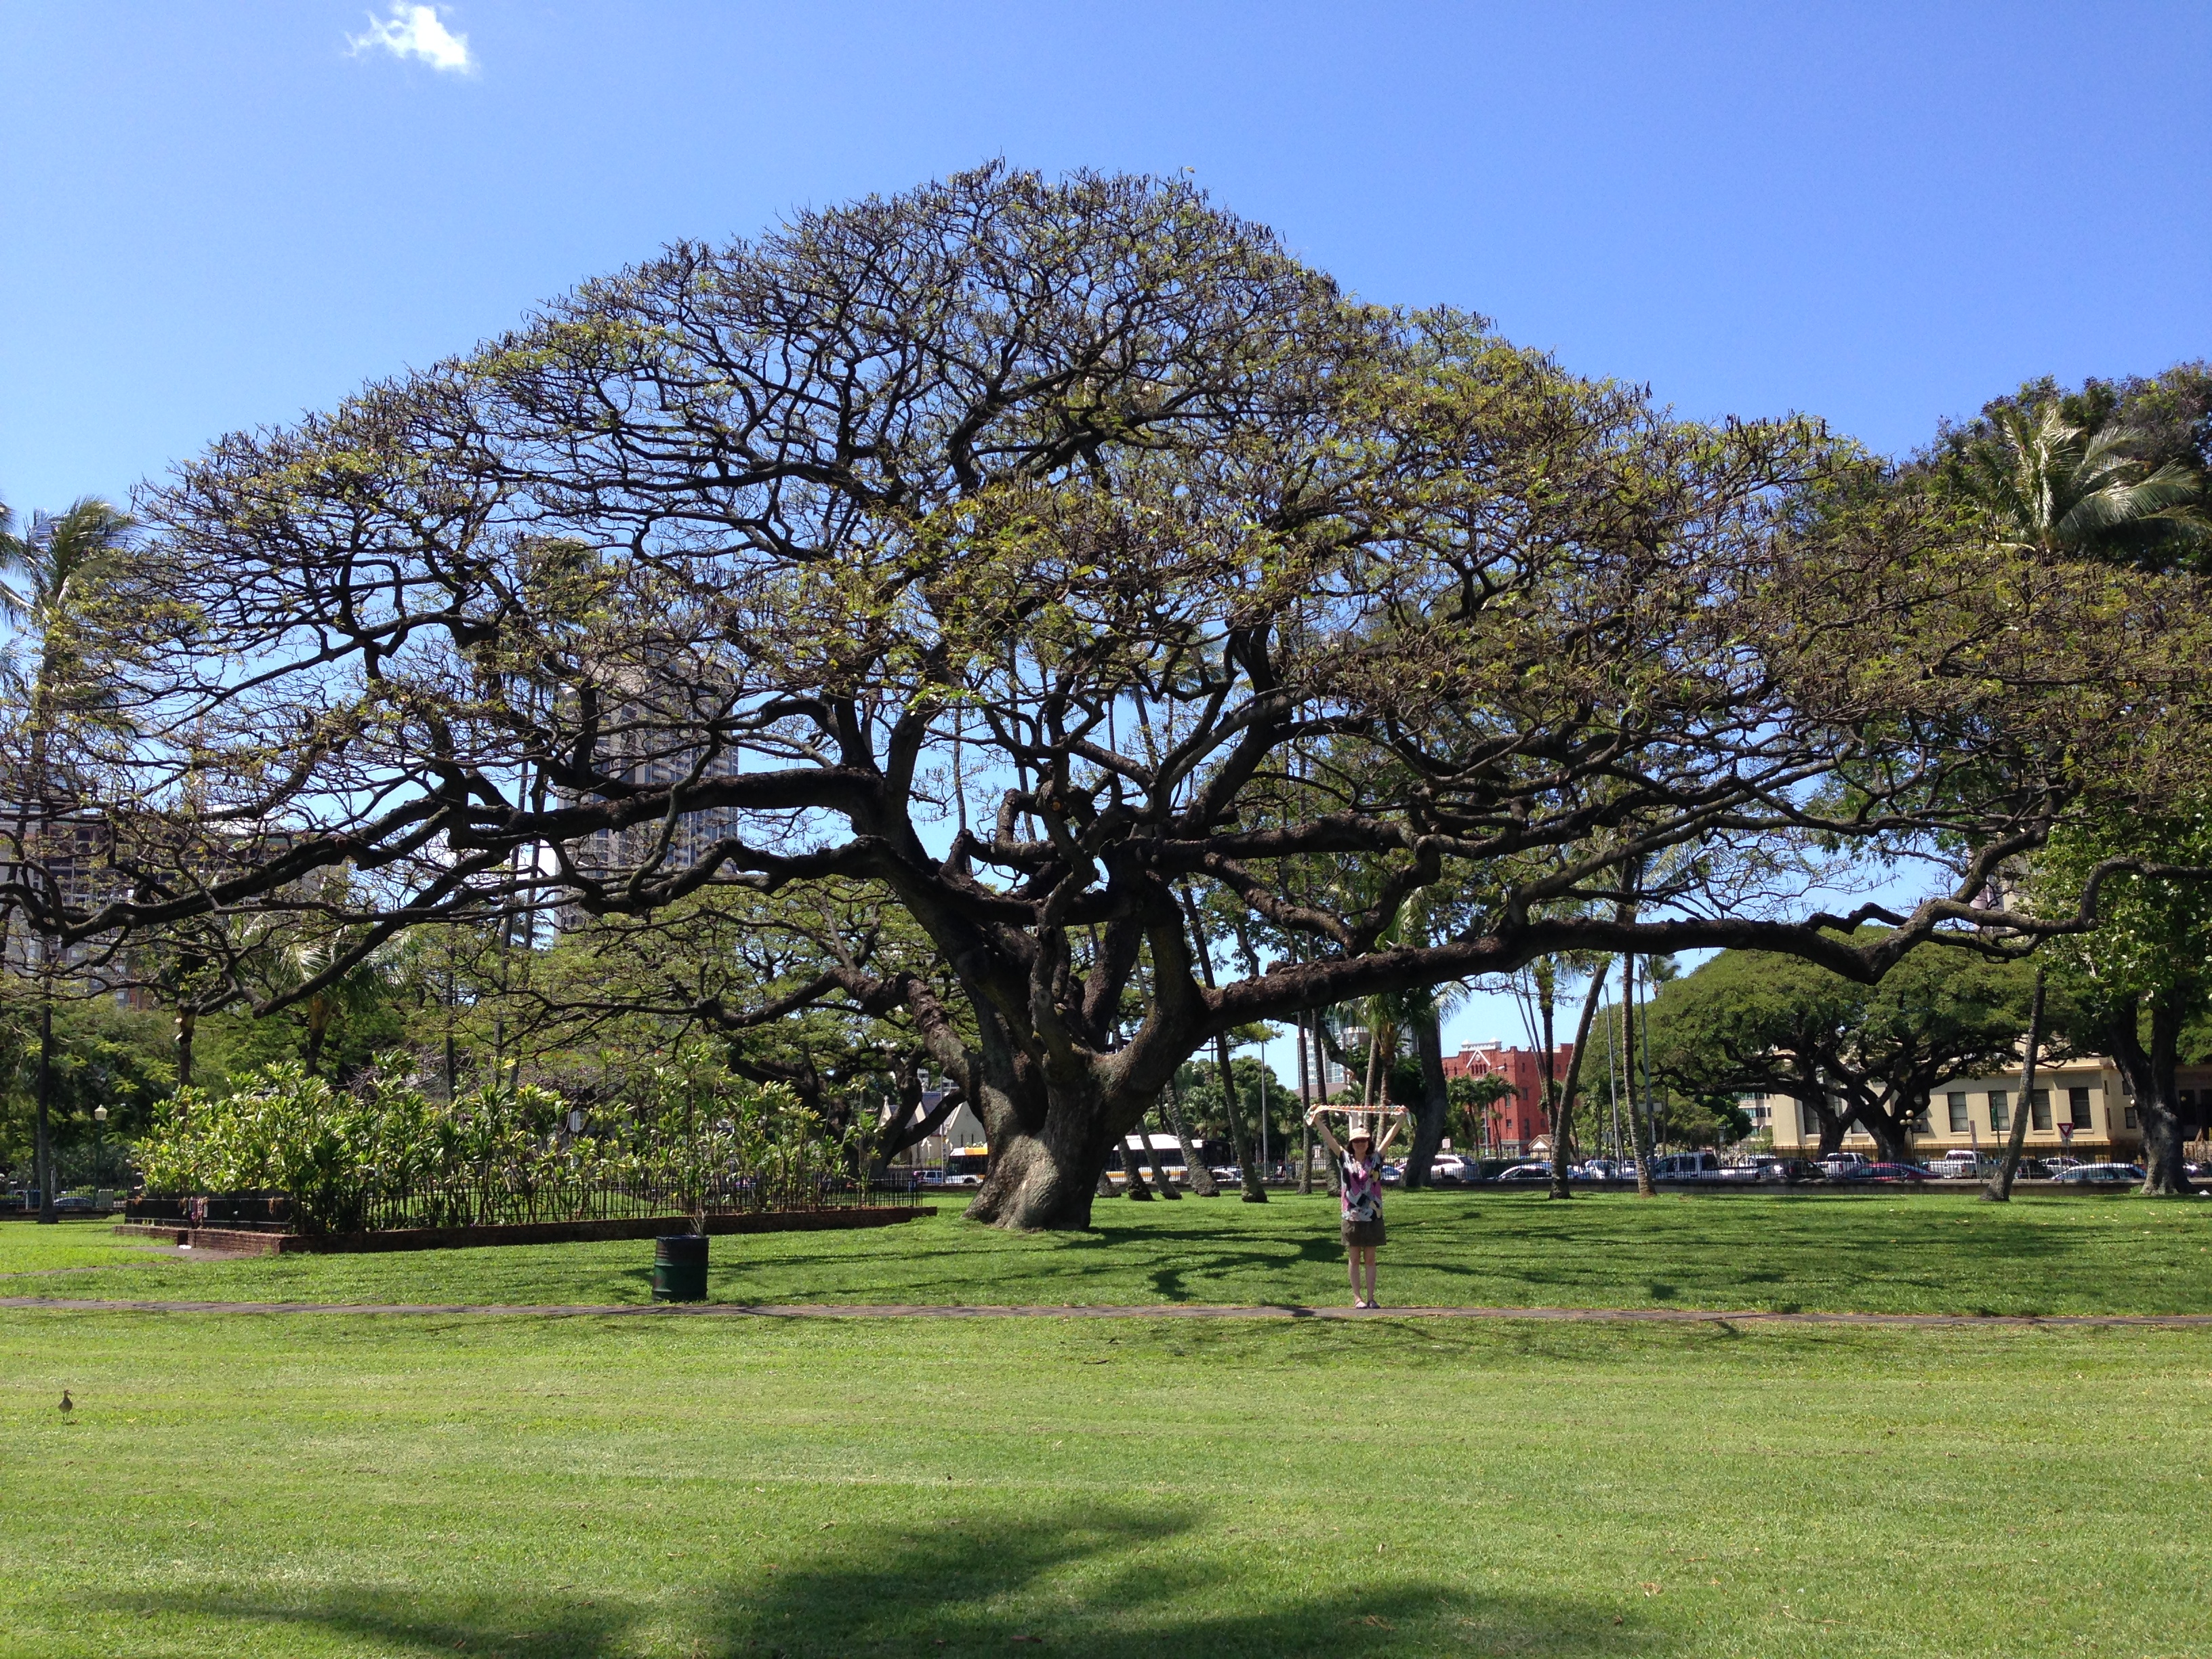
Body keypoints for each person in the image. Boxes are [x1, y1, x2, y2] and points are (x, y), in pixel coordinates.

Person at [1307, 1105, 1405, 1309]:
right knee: (1354, 1257)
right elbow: (1330, 1140)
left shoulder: (1376, 1159)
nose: (1361, 1143)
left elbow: (1389, 1137)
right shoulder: (1344, 1158)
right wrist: (1317, 1120)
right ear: (1352, 1143)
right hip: (1351, 1216)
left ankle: (1371, 1298)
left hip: (1373, 1217)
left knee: (1370, 1258)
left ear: (1368, 1142)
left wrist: (1400, 1119)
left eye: (1364, 1140)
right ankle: (1357, 1298)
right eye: (1357, 1141)